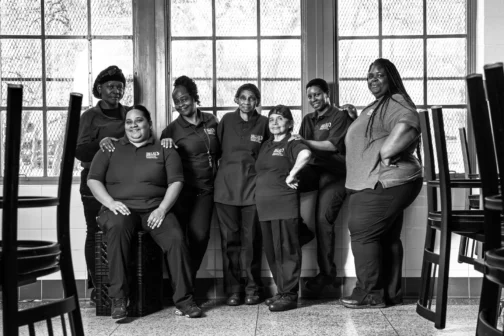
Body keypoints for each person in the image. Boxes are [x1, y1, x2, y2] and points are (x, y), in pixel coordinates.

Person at [87, 105, 202, 319]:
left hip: (154, 210)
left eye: (138, 121)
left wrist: (162, 209)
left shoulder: (164, 148)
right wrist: (110, 203)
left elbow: (176, 181)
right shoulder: (110, 148)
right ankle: (119, 300)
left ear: (149, 123)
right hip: (120, 209)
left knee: (176, 238)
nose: (133, 126)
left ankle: (185, 301)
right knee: (118, 227)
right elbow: (93, 180)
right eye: (129, 122)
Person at [340, 58, 423, 308]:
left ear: (391, 78)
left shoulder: (396, 100)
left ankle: (369, 293)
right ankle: (389, 292)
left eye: (379, 75)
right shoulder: (379, 104)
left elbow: (410, 122)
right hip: (374, 180)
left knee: (363, 231)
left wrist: (387, 152)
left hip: (384, 180)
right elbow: (376, 131)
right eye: (369, 76)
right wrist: (356, 118)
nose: (373, 80)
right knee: (386, 237)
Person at [291, 78, 354, 292]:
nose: (313, 99)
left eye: (317, 94)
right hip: (314, 170)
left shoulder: (340, 116)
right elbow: (301, 148)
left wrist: (304, 141)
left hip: (336, 173)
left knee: (322, 220)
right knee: (286, 184)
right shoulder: (308, 119)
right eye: (309, 96)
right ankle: (300, 229)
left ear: (327, 94)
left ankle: (328, 275)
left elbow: (331, 145)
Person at [75, 65, 131, 304]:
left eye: (120, 87)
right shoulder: (89, 116)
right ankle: (99, 288)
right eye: (111, 86)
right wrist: (101, 142)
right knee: (95, 233)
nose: (116, 91)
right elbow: (78, 151)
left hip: (124, 182)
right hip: (94, 183)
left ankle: (123, 287)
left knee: (122, 229)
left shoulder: (130, 113)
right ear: (100, 89)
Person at [160, 75, 220, 282]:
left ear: (194, 97)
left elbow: (223, 152)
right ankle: (181, 287)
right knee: (179, 239)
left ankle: (187, 281)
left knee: (200, 237)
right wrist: (165, 143)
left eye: (184, 99)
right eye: (176, 101)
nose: (180, 104)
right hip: (182, 192)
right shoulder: (171, 130)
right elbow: (162, 164)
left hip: (207, 191)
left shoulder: (212, 121)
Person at [214, 83, 268, 306]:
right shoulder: (226, 121)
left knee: (252, 241)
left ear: (257, 101)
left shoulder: (264, 123)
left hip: (252, 191)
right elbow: (214, 150)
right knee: (230, 242)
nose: (247, 102)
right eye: (243, 98)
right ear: (236, 100)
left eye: (252, 98)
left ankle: (253, 288)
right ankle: (234, 289)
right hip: (225, 190)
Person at [255, 105, 311, 312]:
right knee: (272, 252)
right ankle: (281, 291)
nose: (275, 123)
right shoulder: (266, 145)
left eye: (280, 119)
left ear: (289, 123)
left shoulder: (292, 141)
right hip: (264, 207)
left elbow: (305, 154)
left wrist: (291, 175)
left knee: (287, 250)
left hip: (283, 205)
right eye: (271, 119)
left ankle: (289, 294)